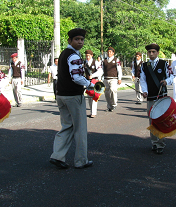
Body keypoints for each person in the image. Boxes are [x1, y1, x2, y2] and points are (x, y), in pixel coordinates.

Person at [49, 28, 94, 170]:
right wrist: (91, 85)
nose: (80, 42)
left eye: (82, 39)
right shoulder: (73, 56)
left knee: (67, 126)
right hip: (73, 96)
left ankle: (57, 156)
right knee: (80, 128)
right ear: (70, 40)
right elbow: (76, 77)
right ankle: (81, 160)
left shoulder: (64, 54)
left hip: (61, 95)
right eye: (77, 39)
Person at [139, 43, 173, 154]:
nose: (151, 54)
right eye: (149, 52)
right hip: (150, 96)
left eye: (153, 52)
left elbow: (171, 76)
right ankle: (154, 142)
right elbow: (143, 80)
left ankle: (161, 143)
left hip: (161, 96)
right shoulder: (144, 65)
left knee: (161, 120)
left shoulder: (164, 64)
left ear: (157, 53)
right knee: (152, 120)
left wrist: (166, 81)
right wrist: (145, 91)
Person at [84, 49, 103, 118]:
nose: (87, 57)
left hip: (95, 81)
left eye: (88, 56)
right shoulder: (84, 63)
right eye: (86, 56)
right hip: (87, 82)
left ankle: (94, 113)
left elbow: (100, 71)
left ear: (92, 55)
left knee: (94, 96)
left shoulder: (96, 62)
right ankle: (91, 111)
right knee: (89, 97)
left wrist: (93, 75)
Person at [103, 47, 122, 112]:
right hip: (106, 78)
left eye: (110, 52)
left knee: (113, 90)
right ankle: (109, 106)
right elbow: (102, 70)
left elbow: (119, 70)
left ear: (113, 53)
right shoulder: (104, 60)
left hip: (113, 79)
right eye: (108, 52)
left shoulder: (116, 60)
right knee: (107, 93)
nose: (109, 53)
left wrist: (119, 78)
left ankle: (114, 104)